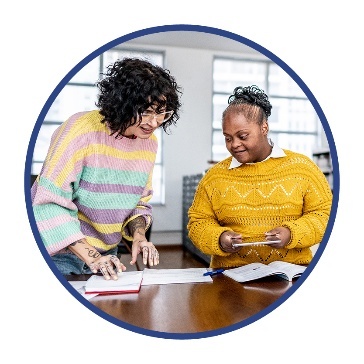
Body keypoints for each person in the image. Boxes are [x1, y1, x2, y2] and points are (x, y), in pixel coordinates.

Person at [31, 57, 182, 280]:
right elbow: (48, 203)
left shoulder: (149, 142)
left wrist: (139, 236)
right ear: (124, 103)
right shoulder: (80, 130)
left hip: (107, 256)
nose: (154, 121)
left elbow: (138, 203)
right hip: (59, 255)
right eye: (146, 111)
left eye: (162, 112)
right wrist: (91, 257)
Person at [187, 85, 332, 268]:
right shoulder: (215, 177)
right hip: (229, 280)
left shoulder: (303, 169)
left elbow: (324, 215)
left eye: (242, 136)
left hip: (292, 277)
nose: (234, 145)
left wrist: (291, 233)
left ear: (264, 128)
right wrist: (220, 238)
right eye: (228, 138)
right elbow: (198, 223)